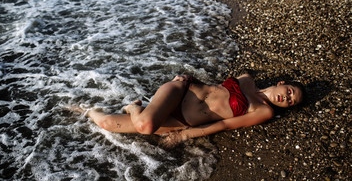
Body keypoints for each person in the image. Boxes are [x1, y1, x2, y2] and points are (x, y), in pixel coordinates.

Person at [68, 74, 304, 147]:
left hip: (182, 119)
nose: (288, 98)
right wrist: (186, 79)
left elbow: (224, 124)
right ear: (283, 84)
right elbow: (215, 88)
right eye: (291, 91)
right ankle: (134, 109)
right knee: (145, 126)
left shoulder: (264, 111)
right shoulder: (247, 79)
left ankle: (88, 111)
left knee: (108, 123)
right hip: (181, 90)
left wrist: (184, 134)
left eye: (291, 102)